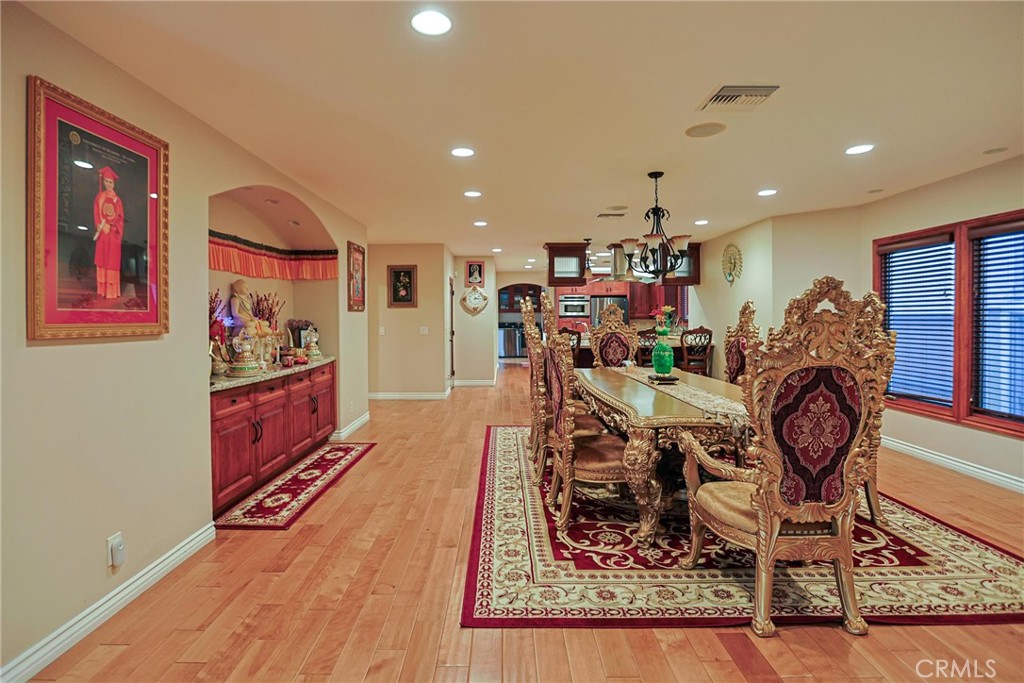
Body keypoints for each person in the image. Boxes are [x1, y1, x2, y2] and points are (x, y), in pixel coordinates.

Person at [93, 166, 124, 299]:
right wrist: (100, 225)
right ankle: (102, 289)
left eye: (110, 182)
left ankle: (111, 291)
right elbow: (96, 213)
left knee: (112, 261)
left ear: (114, 183)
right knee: (102, 259)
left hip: (112, 234)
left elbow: (121, 218)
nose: (108, 184)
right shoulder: (99, 197)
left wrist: (113, 226)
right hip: (103, 232)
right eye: (106, 181)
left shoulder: (118, 200)